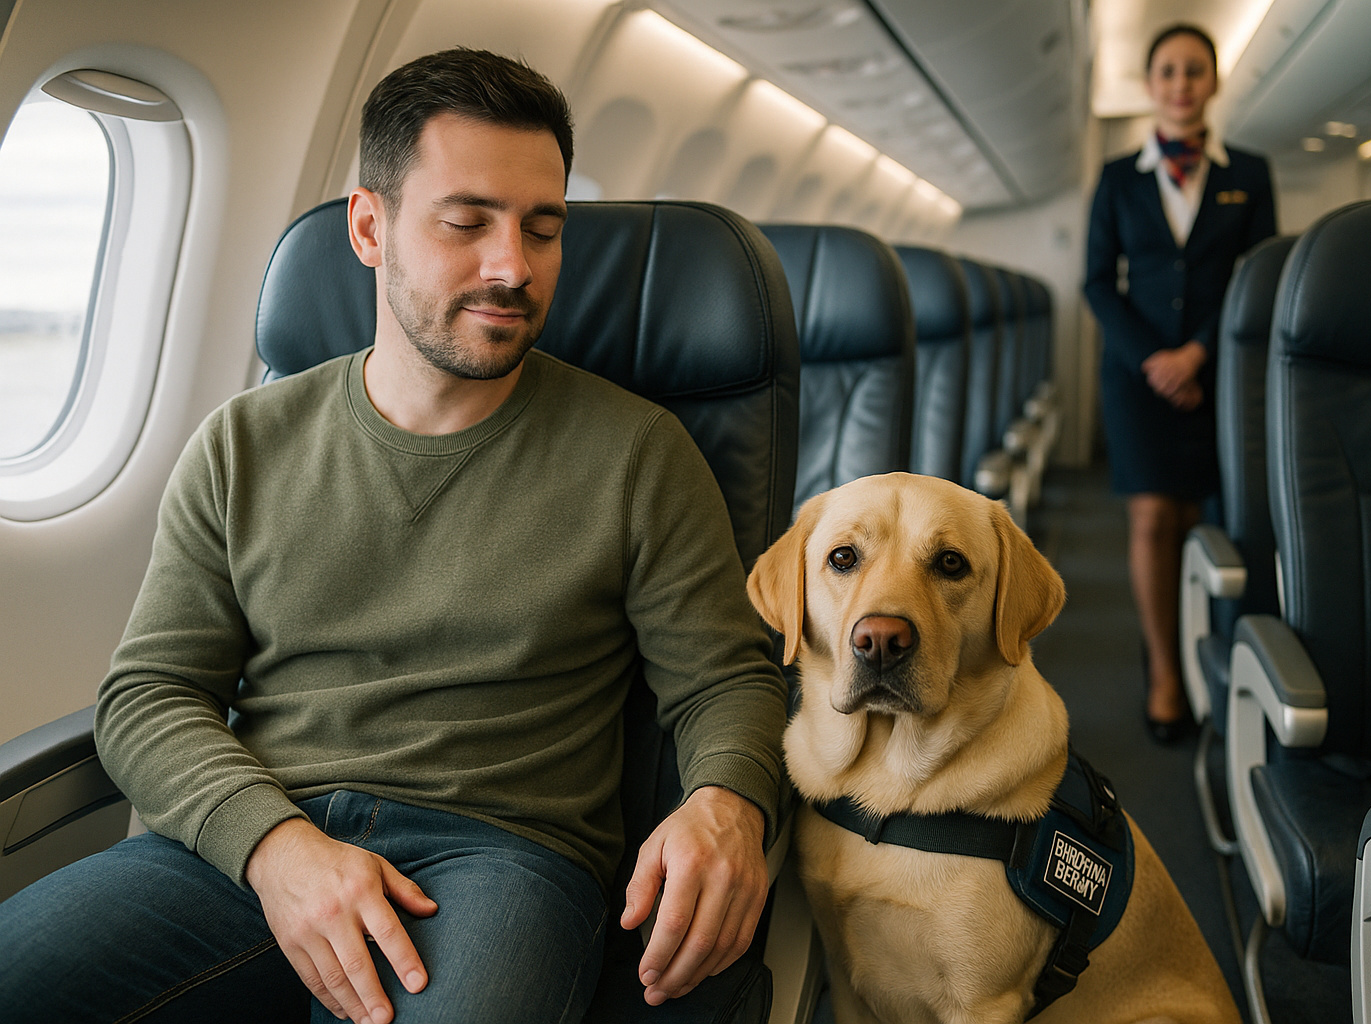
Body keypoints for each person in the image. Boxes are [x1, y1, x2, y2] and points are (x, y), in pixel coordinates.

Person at [0, 48, 787, 1024]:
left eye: (543, 231)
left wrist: (730, 801)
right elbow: (149, 694)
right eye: (467, 223)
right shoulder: (246, 444)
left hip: (498, 856)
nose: (513, 265)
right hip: (252, 844)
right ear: (370, 228)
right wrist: (275, 848)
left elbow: (727, 678)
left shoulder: (638, 453)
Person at [1083, 24, 1276, 742]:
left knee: (1201, 519)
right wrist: (1155, 361)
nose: (1182, 83)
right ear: (1151, 84)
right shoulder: (1118, 177)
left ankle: (1197, 641)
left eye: (1195, 70)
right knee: (1150, 517)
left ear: (1213, 82)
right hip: (1138, 378)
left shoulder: (1247, 173)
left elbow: (1255, 276)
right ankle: (1165, 671)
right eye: (1168, 71)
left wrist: (1197, 353)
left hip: (1216, 369)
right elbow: (1099, 283)